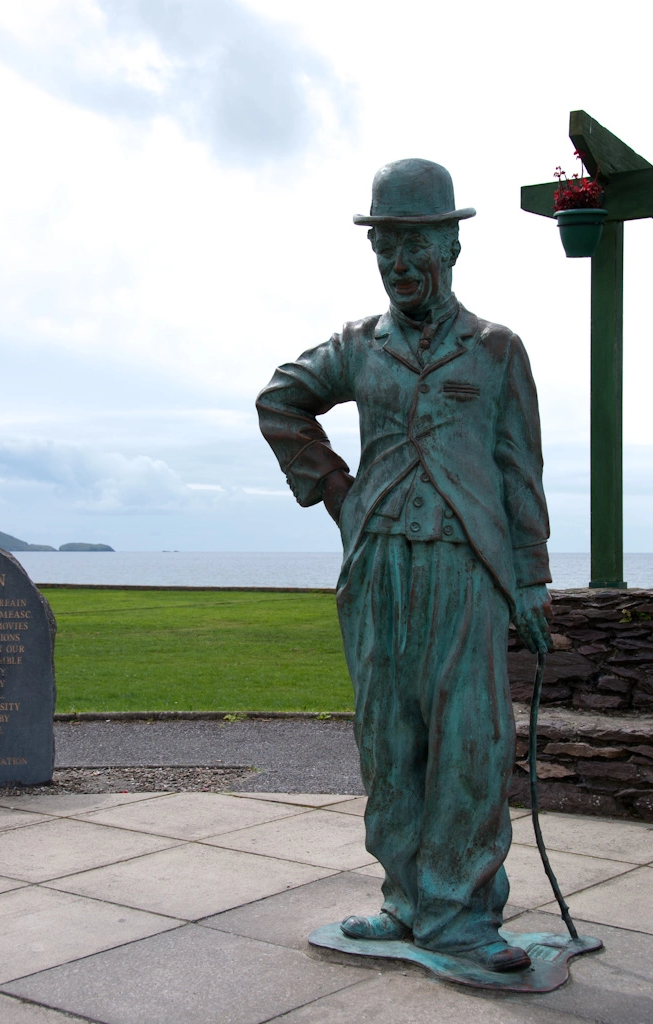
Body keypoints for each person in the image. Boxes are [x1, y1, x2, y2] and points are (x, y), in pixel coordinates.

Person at [257, 159, 552, 973]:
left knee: (471, 741)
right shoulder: (357, 345)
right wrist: (339, 495)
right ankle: (406, 901)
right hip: (379, 563)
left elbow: (519, 470)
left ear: (451, 247)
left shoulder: (495, 350)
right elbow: (280, 401)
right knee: (389, 739)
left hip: (466, 567)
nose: (398, 265)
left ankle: (461, 914)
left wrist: (531, 578)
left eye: (414, 246)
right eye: (385, 248)